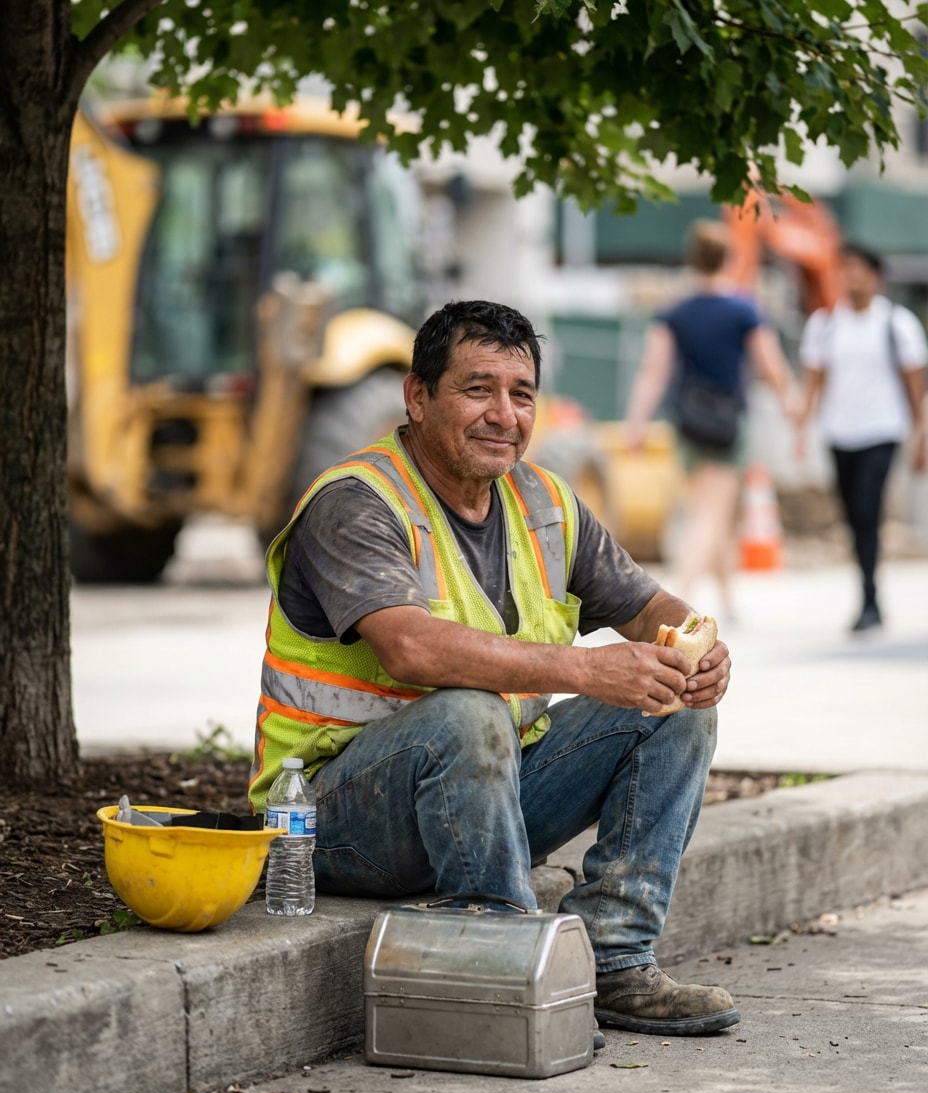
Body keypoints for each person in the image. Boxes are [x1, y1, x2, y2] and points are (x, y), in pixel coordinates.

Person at [250, 299, 739, 1037]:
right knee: (469, 710)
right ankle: (506, 971)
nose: (503, 415)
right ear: (417, 396)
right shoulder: (356, 503)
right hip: (331, 823)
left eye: (521, 395)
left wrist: (694, 646)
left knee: (674, 699)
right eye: (478, 390)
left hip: (481, 796)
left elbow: (648, 608)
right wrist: (587, 668)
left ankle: (615, 960)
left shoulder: (543, 501)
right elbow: (409, 648)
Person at [624, 219, 795, 618]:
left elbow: (654, 370)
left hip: (687, 422)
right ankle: (678, 602)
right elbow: (770, 365)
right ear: (727, 258)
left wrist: (636, 424)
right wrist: (791, 404)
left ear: (692, 259)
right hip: (727, 424)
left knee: (711, 508)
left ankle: (729, 600)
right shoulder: (742, 308)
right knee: (710, 513)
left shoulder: (674, 311)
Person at [796, 243, 927, 632]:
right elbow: (814, 381)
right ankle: (867, 590)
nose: (852, 278)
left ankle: (869, 599)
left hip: (882, 431)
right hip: (840, 433)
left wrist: (921, 432)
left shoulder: (897, 324)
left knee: (868, 512)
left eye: (860, 271)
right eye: (846, 270)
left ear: (876, 278)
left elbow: (913, 385)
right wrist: (801, 429)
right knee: (853, 516)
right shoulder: (826, 325)